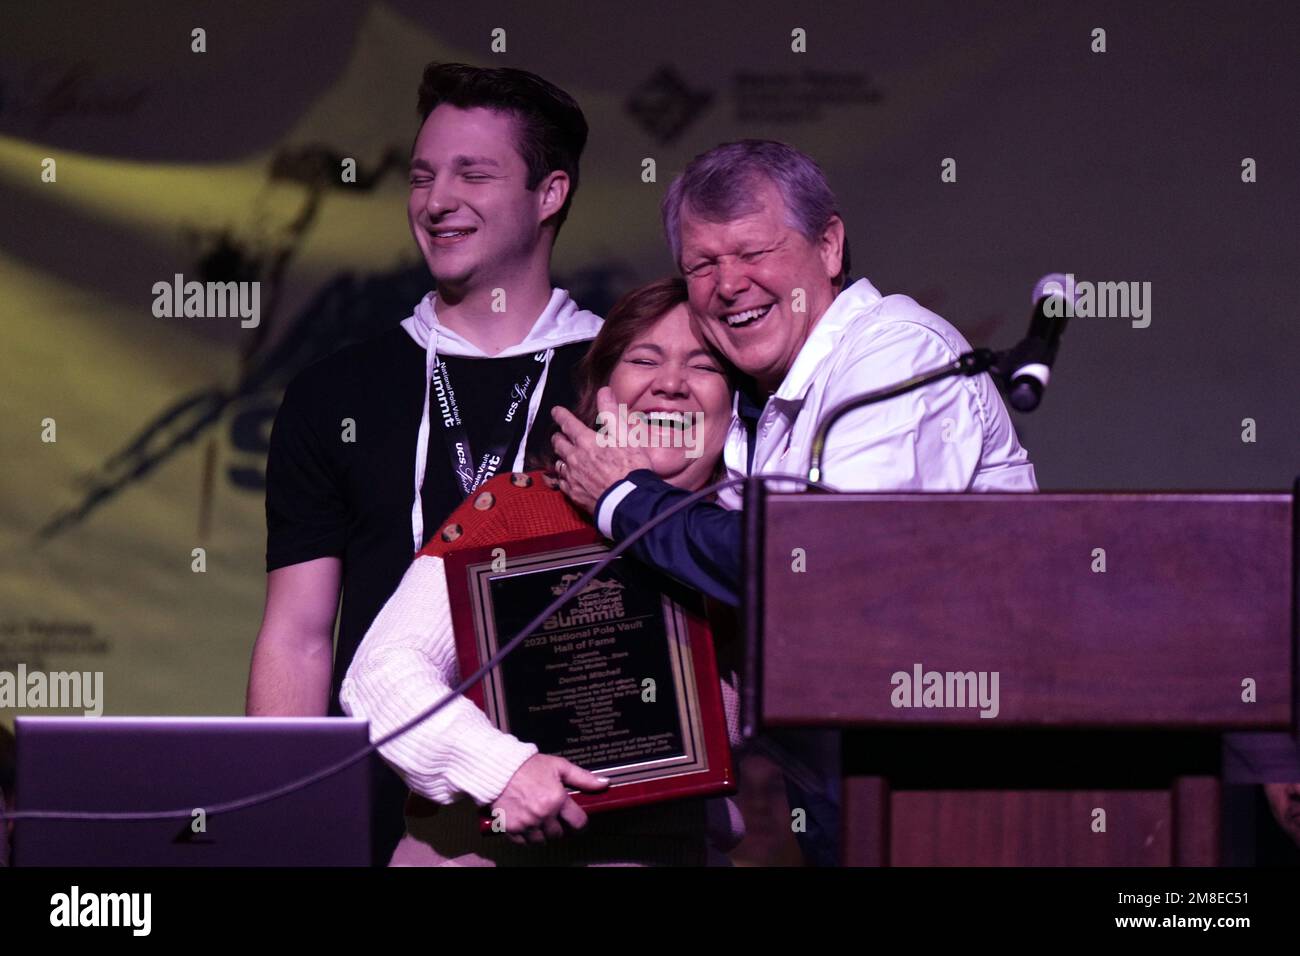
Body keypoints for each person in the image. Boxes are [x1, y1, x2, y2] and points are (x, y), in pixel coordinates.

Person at [550, 139, 1038, 864]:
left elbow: (814, 566)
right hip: (852, 792)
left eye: (753, 252)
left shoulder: (895, 357)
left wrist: (625, 497)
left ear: (830, 245)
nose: (728, 284)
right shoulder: (767, 413)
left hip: (959, 795)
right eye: (702, 265)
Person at [246, 62, 600, 866]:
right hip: (388, 824)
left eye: (473, 173)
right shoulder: (335, 390)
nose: (437, 201)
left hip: (589, 806)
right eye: (423, 175)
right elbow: (298, 636)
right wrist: (281, 830)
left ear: (550, 195)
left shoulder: (622, 377)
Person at [341, 278, 748, 865]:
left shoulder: (745, 547)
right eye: (643, 359)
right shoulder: (515, 509)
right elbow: (379, 675)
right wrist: (501, 770)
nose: (670, 384)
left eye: (704, 366)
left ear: (736, 403)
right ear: (602, 388)